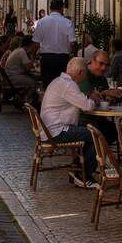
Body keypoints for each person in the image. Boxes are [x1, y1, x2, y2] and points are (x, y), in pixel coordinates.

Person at [38, 58, 99, 189]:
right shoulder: (68, 85)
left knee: (89, 129)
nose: (86, 76)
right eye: (86, 73)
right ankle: (84, 176)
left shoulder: (58, 81)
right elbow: (87, 106)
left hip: (49, 129)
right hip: (56, 131)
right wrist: (94, 99)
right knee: (95, 134)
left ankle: (79, 169)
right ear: (81, 72)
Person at [33, 0, 76, 87]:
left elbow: (36, 43)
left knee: (47, 84)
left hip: (47, 58)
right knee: (62, 85)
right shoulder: (68, 22)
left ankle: (47, 100)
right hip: (62, 59)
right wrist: (72, 54)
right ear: (62, 8)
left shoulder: (42, 22)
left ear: (50, 8)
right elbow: (72, 43)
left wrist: (34, 56)